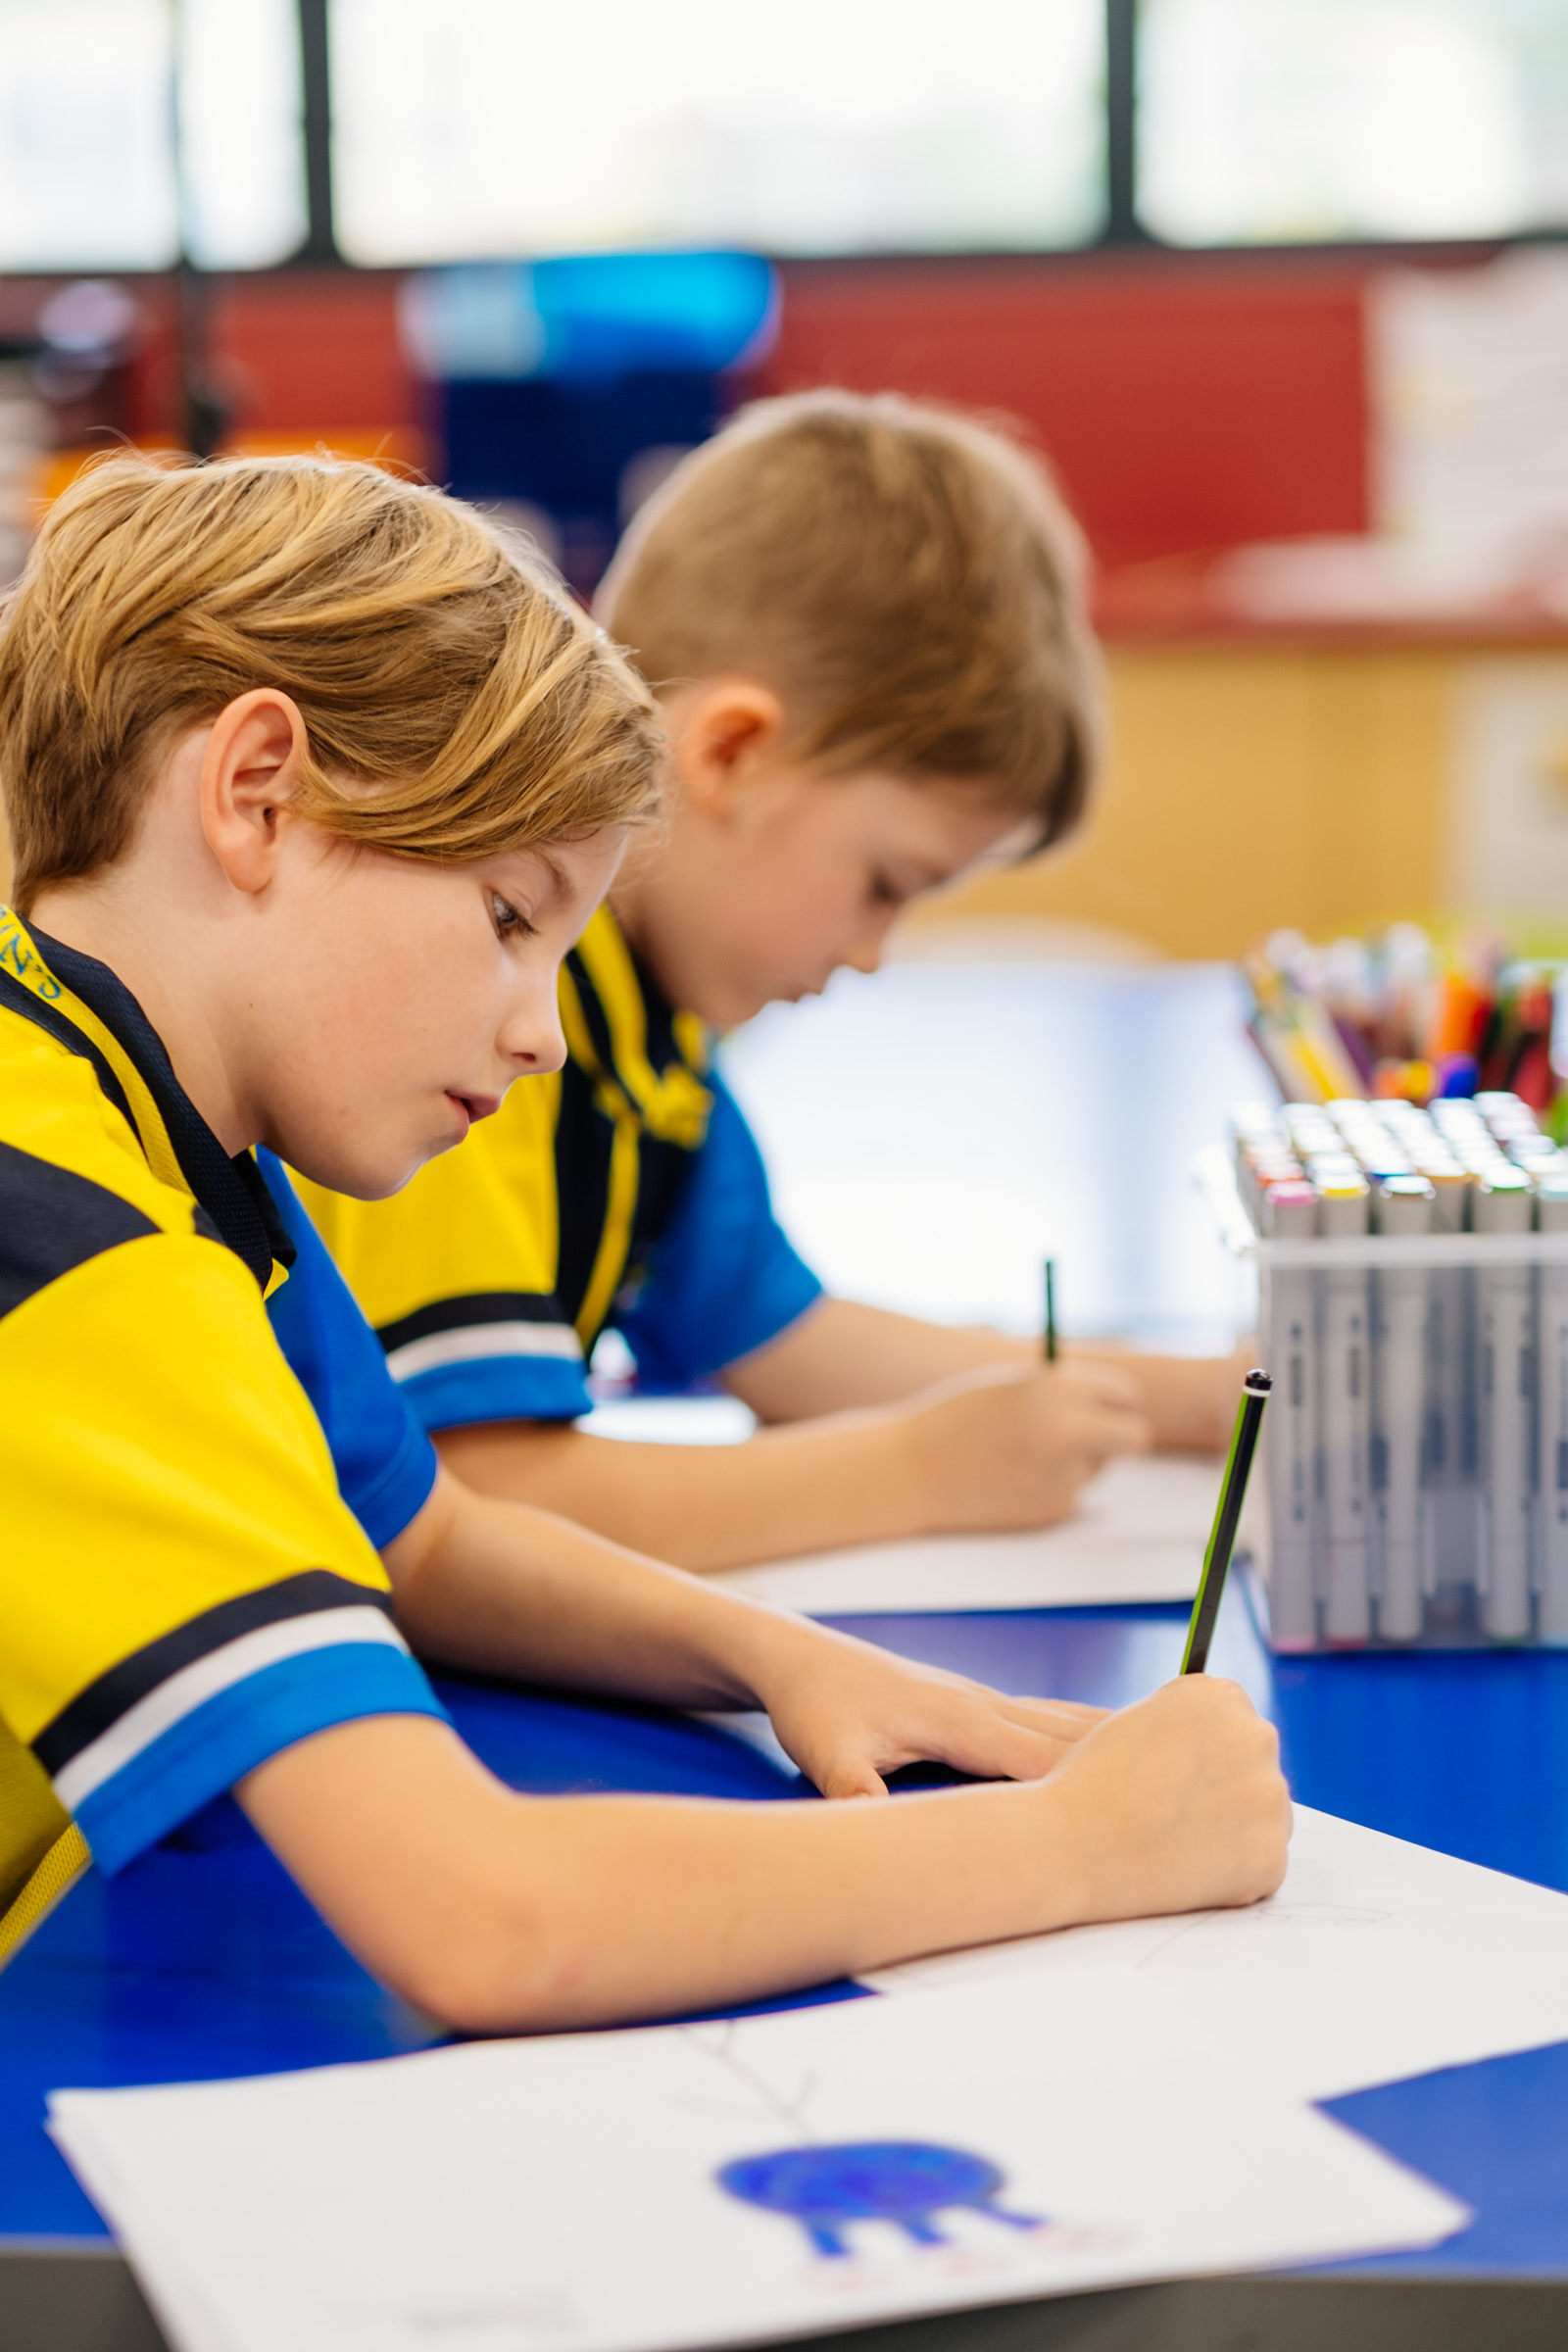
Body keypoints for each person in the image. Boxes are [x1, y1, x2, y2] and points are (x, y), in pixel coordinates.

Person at [0, 451, 1288, 2030]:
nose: (544, 1037)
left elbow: (427, 1542)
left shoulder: (178, 1141)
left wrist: (783, 1658)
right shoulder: (75, 1245)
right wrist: (1077, 1844)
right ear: (256, 793)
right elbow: (486, 1923)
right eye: (504, 919)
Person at [296, 393, 1245, 1575]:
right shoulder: (494, 1019)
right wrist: (914, 1475)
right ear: (733, 752)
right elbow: (477, 1501)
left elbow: (786, 1343)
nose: (872, 952)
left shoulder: (645, 1029)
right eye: (883, 883)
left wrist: (1207, 1398)